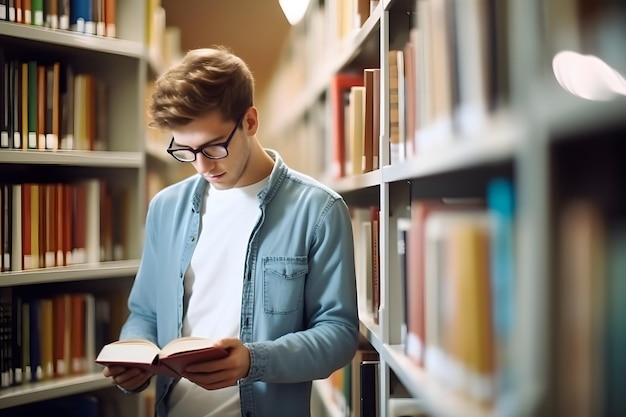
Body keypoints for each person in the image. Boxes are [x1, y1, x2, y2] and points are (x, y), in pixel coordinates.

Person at [102, 46, 360, 417]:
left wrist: (253, 361)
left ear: (250, 122)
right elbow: (145, 312)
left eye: (214, 146)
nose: (203, 165)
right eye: (187, 151)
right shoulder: (165, 208)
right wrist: (134, 354)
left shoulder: (319, 210)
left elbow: (337, 335)